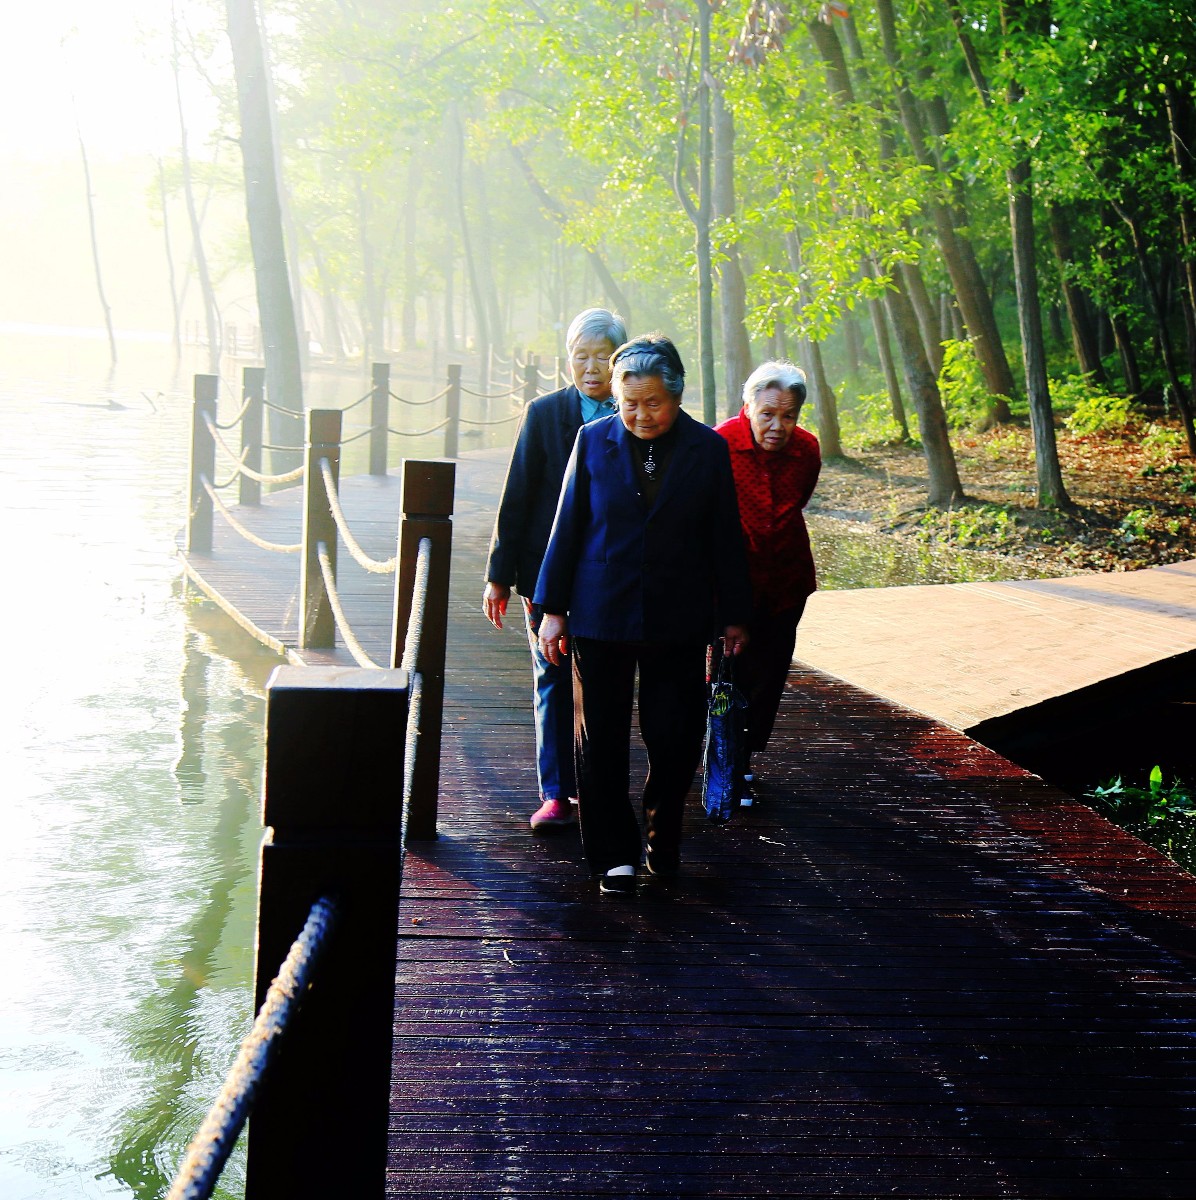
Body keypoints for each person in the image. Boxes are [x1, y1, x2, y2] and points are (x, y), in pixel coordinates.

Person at [535, 334, 752, 894]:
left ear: (677, 396)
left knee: (674, 735)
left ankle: (662, 833)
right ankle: (613, 856)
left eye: (653, 402)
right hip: (599, 613)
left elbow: (725, 536)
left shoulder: (707, 449)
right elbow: (567, 527)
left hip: (678, 618)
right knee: (599, 740)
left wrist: (734, 614)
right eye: (629, 403)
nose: (640, 415)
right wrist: (552, 609)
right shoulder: (592, 440)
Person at [483, 307, 628, 830]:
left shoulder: (637, 412)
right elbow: (517, 493)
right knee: (552, 676)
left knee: (606, 681)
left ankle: (599, 787)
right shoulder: (544, 414)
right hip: (546, 574)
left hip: (612, 573)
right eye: (580, 356)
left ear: (620, 360)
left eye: (602, 356)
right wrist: (499, 574)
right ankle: (556, 792)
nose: (591, 367)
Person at [714, 360, 821, 799]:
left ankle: (745, 755)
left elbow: (800, 499)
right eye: (768, 414)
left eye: (788, 416)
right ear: (748, 408)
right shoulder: (720, 444)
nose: (778, 426)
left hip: (786, 581)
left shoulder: (807, 449)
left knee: (770, 674)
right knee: (728, 674)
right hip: (732, 583)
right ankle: (727, 762)